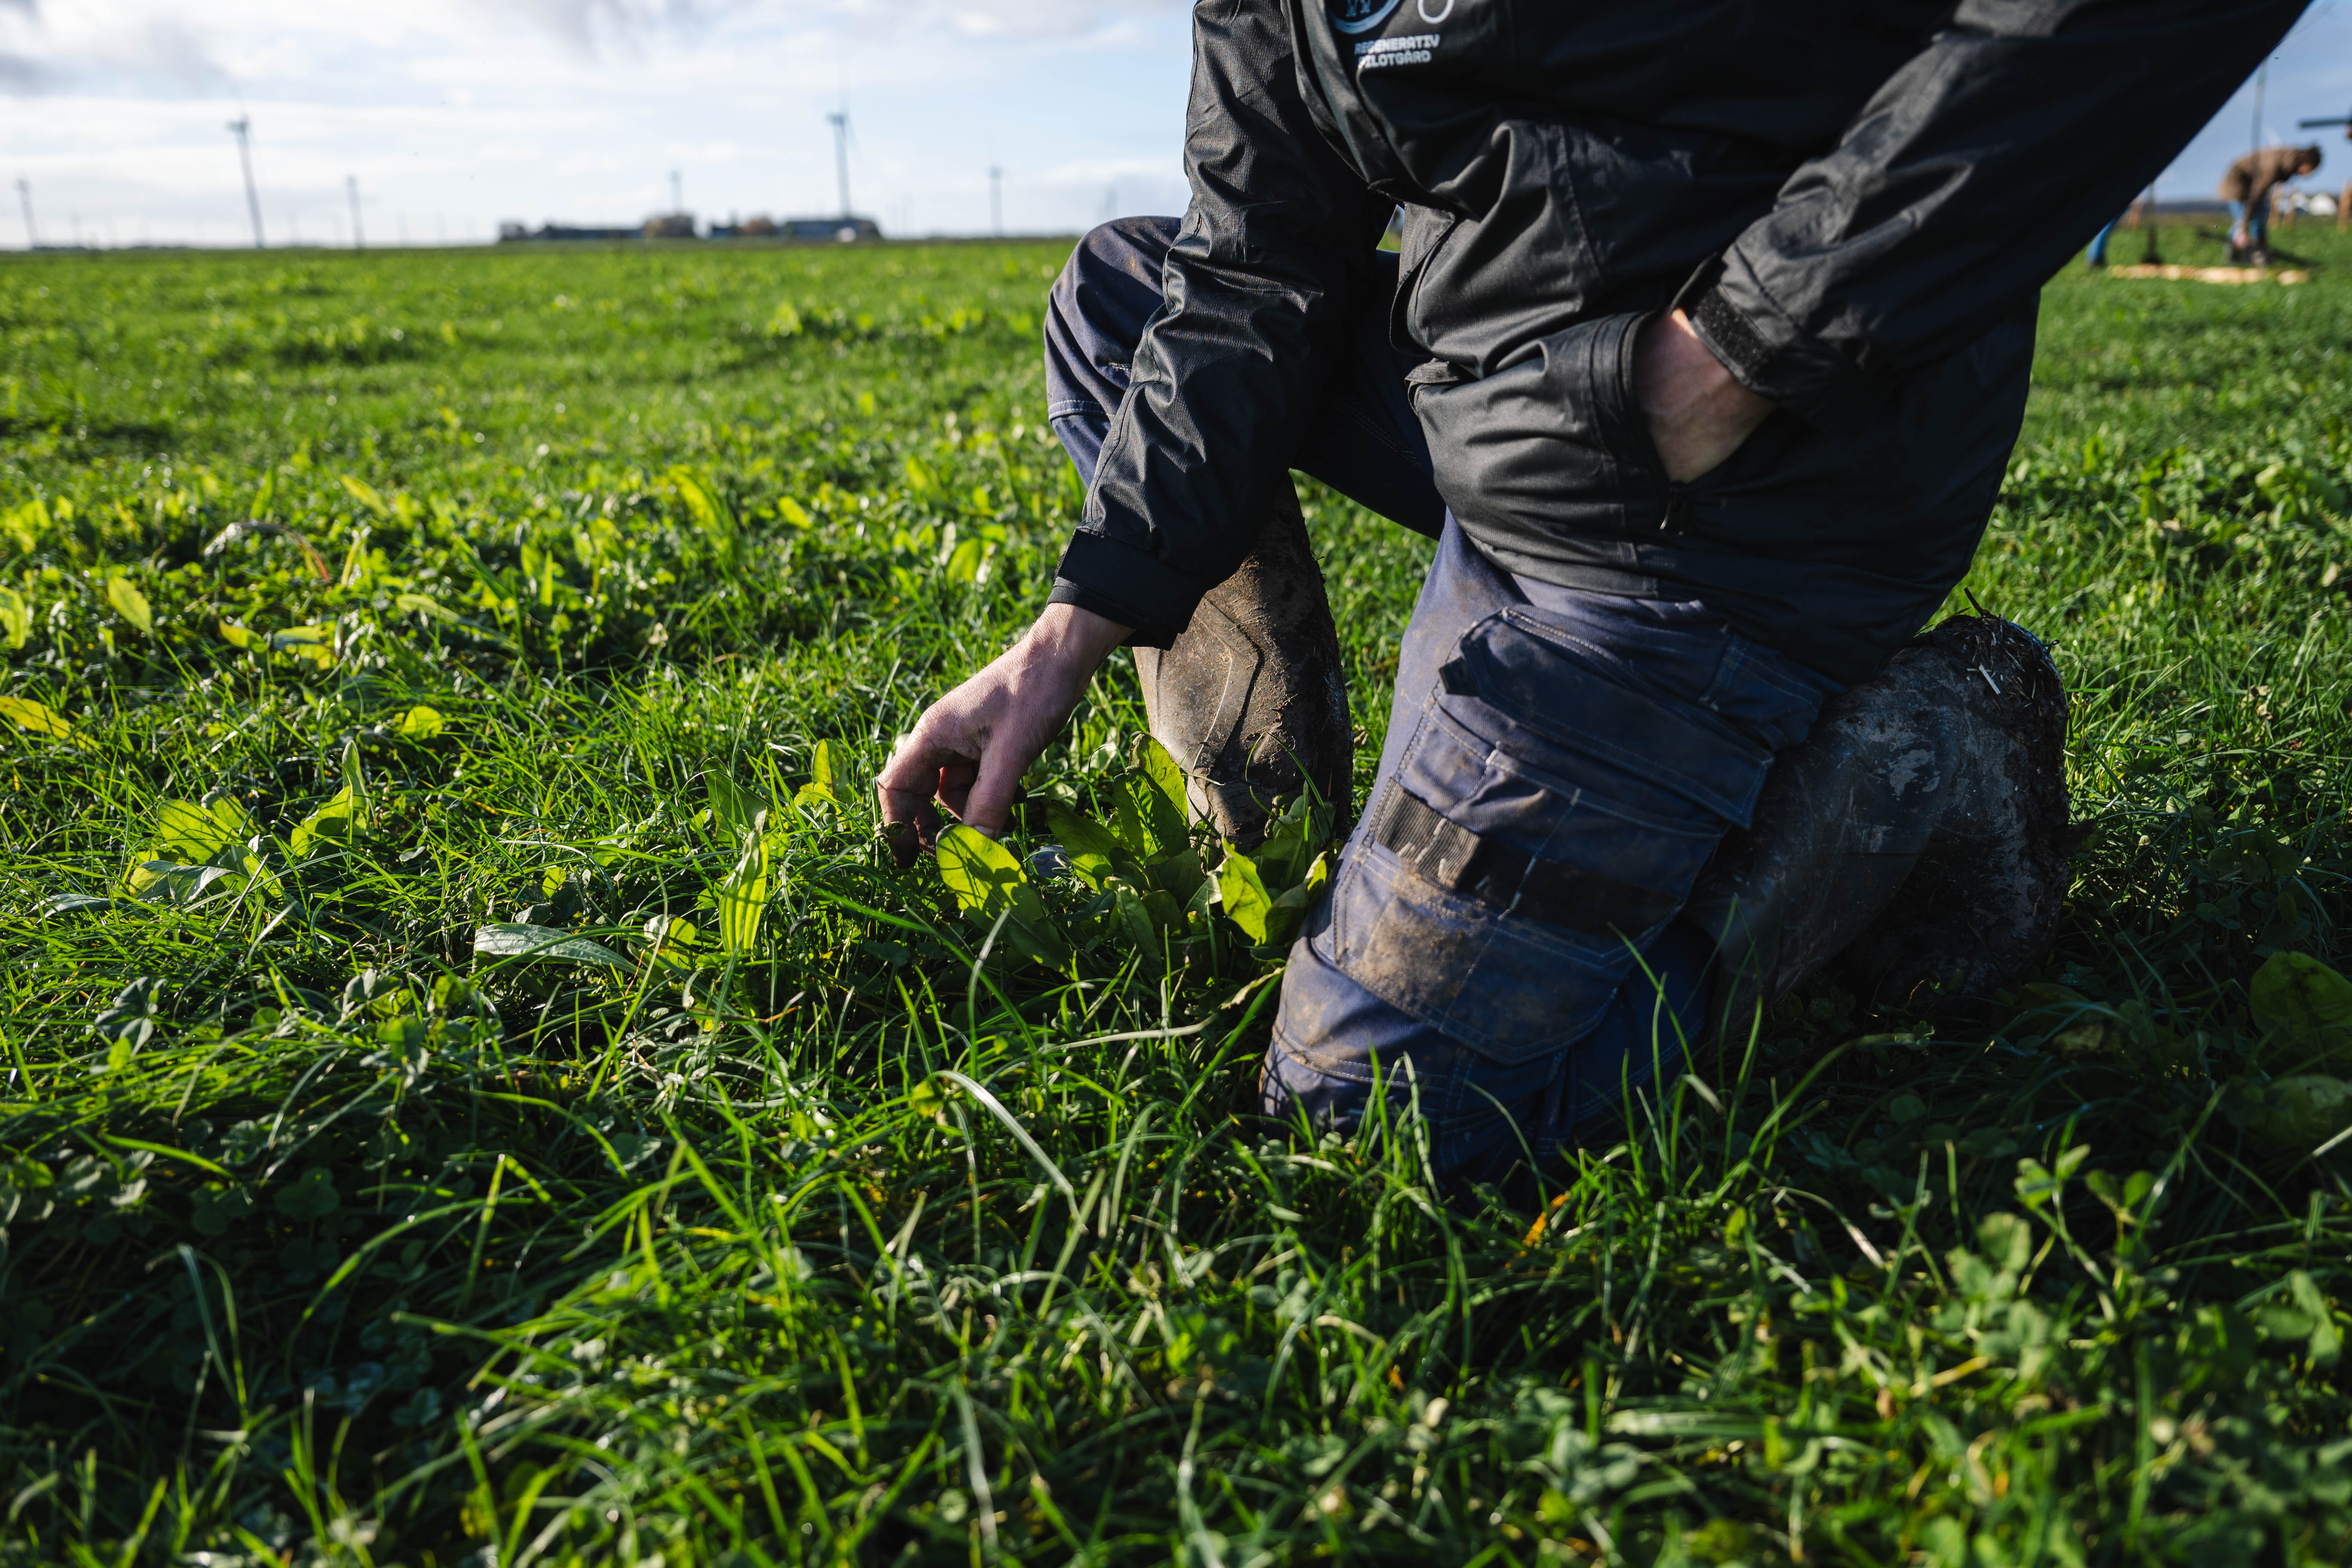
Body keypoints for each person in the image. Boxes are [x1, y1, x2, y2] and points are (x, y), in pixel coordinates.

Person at [880, 0, 2306, 1194]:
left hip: (1747, 466)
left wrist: (1752, 345)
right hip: (1507, 405)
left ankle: (1907, 771)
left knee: (1375, 1121)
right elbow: (1258, 262)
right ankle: (1265, 820)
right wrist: (1076, 621)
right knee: (1125, 302)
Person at [2220, 143, 2323, 263]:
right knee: (2248, 220)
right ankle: (2240, 256)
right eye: (2310, 170)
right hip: (2238, 184)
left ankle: (2254, 255)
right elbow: (2256, 195)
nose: (2308, 175)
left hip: (2252, 187)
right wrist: (2243, 226)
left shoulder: (2288, 161)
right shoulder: (2275, 167)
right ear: (2305, 164)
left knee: (2256, 219)